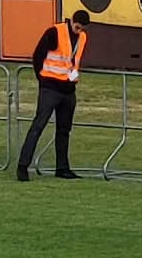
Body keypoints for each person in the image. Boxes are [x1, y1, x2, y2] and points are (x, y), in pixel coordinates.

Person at [16, 10, 89, 182]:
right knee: (38, 127)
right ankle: (22, 166)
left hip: (68, 91)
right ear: (71, 21)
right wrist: (41, 80)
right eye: (77, 27)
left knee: (64, 131)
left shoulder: (83, 37)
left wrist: (72, 79)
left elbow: (73, 60)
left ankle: (62, 168)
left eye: (82, 28)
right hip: (50, 88)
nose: (78, 31)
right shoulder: (54, 32)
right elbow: (37, 56)